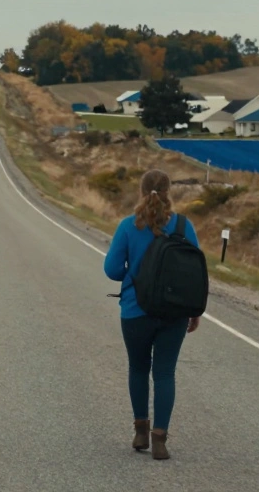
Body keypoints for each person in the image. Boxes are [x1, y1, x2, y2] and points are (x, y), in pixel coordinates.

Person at [104, 170, 201, 461]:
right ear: (170, 191)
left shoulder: (128, 226)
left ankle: (140, 431)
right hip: (174, 312)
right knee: (164, 373)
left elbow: (111, 270)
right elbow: (194, 274)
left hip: (135, 310)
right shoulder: (184, 226)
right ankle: (160, 438)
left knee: (137, 368)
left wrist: (132, 275)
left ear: (141, 190)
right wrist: (194, 311)